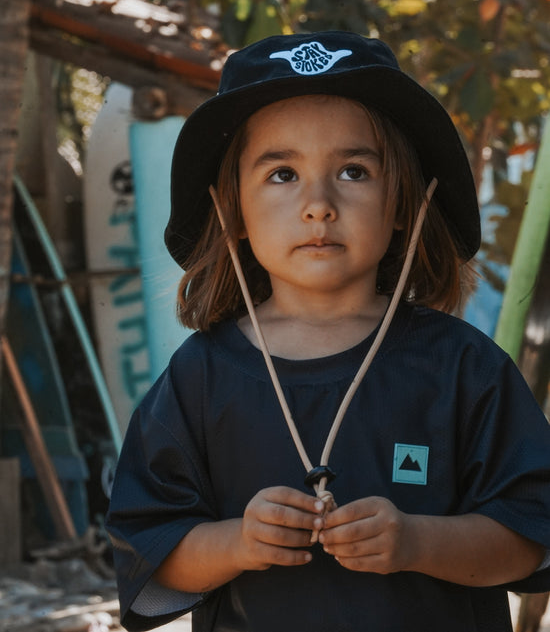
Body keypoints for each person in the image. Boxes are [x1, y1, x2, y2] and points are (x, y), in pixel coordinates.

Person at [106, 32, 550, 632]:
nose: (318, 204)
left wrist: (418, 542)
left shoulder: (464, 368)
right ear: (233, 209)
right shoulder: (199, 378)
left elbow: (528, 539)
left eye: (353, 169)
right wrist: (238, 541)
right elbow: (150, 552)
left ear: (404, 203)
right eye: (282, 173)